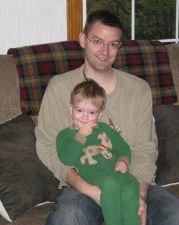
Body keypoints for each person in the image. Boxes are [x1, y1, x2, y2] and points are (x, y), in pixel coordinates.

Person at [35, 9, 179, 225]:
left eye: (113, 44)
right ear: (83, 40)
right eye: (97, 41)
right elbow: (48, 147)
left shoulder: (139, 89)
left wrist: (140, 196)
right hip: (83, 185)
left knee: (175, 213)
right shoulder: (60, 87)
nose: (105, 51)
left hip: (128, 183)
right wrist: (86, 188)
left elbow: (144, 149)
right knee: (69, 217)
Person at [56, 79, 140, 225]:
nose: (85, 116)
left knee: (131, 186)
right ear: (71, 109)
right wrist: (81, 135)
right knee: (110, 183)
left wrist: (124, 160)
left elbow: (123, 148)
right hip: (93, 177)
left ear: (100, 114)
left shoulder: (106, 129)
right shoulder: (65, 135)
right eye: (79, 110)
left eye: (92, 112)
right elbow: (67, 159)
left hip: (117, 173)